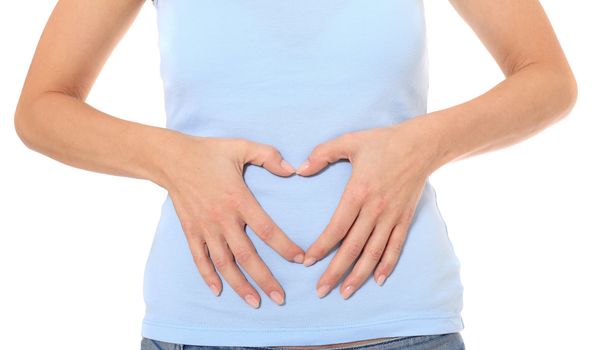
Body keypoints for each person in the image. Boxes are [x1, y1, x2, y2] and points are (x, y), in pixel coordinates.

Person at [14, 0, 576, 349]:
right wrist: (172, 159)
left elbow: (546, 77)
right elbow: (42, 107)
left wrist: (422, 144)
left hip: (401, 328)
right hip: (204, 329)